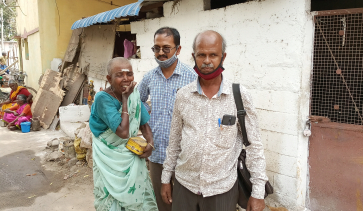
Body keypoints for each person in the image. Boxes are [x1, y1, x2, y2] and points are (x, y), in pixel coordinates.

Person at [160, 30, 268, 211]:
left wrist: (257, 192)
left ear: (223, 57)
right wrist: (165, 179)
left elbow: (254, 146)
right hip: (184, 185)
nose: (207, 61)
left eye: (213, 55)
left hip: (221, 190)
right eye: (201, 55)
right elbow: (174, 142)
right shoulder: (183, 95)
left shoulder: (239, 96)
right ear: (194, 56)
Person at [137, 27, 197, 211]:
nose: (160, 53)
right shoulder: (149, 78)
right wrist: (149, 111)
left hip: (183, 156)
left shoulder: (191, 77)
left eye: (166, 48)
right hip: (156, 155)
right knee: (162, 203)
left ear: (178, 50)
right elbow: (136, 103)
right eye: (156, 48)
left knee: (183, 204)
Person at [89, 57, 158, 211]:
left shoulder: (134, 94)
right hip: (110, 162)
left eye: (130, 74)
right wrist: (125, 100)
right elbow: (123, 131)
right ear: (109, 78)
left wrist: (150, 143)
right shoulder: (103, 99)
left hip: (131, 158)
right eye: (119, 75)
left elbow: (144, 124)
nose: (126, 79)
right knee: (112, 201)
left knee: (141, 198)